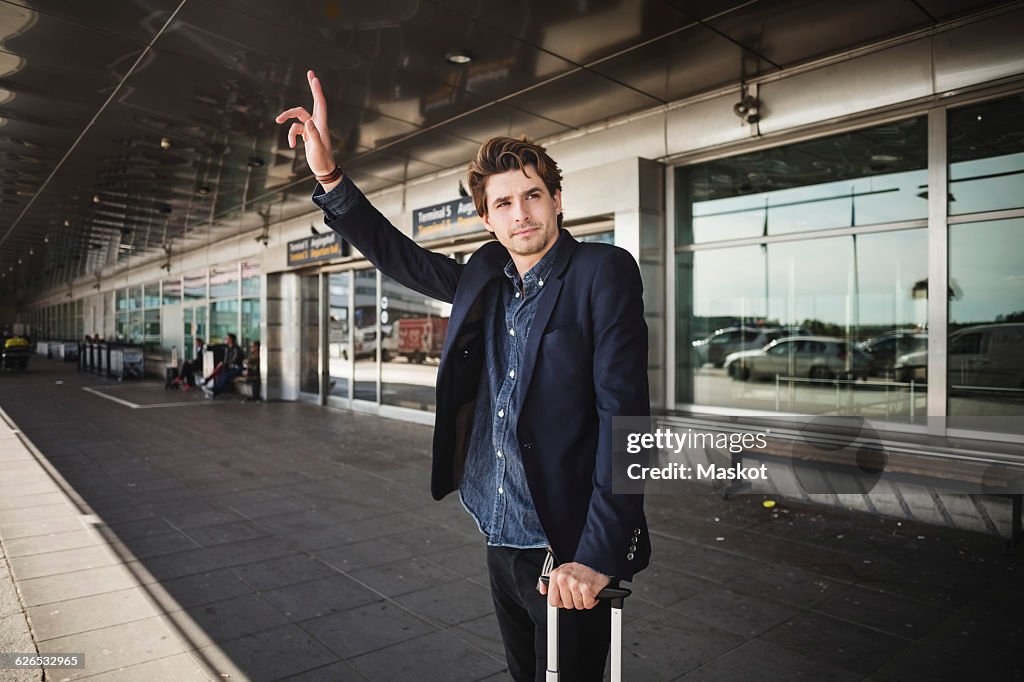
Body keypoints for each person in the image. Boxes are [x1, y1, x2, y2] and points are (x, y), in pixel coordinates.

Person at [277, 70, 651, 681]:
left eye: (532, 195)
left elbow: (627, 419)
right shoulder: (486, 275)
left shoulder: (600, 272)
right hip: (498, 526)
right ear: (486, 219)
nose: (520, 213)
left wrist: (598, 556)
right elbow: (402, 258)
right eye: (503, 203)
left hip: (565, 541)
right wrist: (329, 178)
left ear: (558, 199)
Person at [202, 333, 244, 398]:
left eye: (227, 338)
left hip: (237, 368)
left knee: (224, 374)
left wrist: (224, 364)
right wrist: (224, 364)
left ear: (231, 340)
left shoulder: (236, 349)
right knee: (221, 371)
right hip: (230, 367)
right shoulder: (227, 348)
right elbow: (225, 360)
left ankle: (213, 388)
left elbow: (234, 360)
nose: (226, 339)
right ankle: (213, 387)